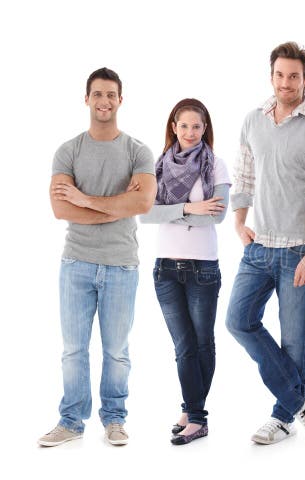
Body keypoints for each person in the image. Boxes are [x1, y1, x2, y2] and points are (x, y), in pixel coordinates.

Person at [225, 41, 305, 446]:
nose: (286, 82)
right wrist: (240, 223)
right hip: (259, 248)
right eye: (280, 75)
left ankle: (282, 417)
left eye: (294, 76)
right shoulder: (252, 121)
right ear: (271, 76)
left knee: (295, 340)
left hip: (299, 249)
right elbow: (243, 179)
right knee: (238, 321)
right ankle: (300, 399)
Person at [40, 67, 156, 447]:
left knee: (116, 351)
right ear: (86, 99)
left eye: (111, 95)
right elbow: (61, 211)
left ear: (120, 100)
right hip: (76, 263)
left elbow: (142, 202)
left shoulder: (138, 151)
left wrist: (86, 199)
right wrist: (116, 205)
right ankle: (71, 422)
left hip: (122, 264)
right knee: (73, 350)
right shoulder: (68, 150)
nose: (104, 101)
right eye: (97, 94)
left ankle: (115, 420)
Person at [139, 98, 230, 445]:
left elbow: (217, 216)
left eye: (197, 126)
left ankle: (194, 416)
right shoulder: (157, 166)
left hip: (203, 266)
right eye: (184, 126)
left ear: (205, 128)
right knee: (183, 346)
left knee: (202, 343)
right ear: (173, 128)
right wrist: (190, 207)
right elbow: (145, 214)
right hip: (165, 268)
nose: (190, 133)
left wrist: (170, 210)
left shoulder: (215, 166)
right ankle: (195, 414)